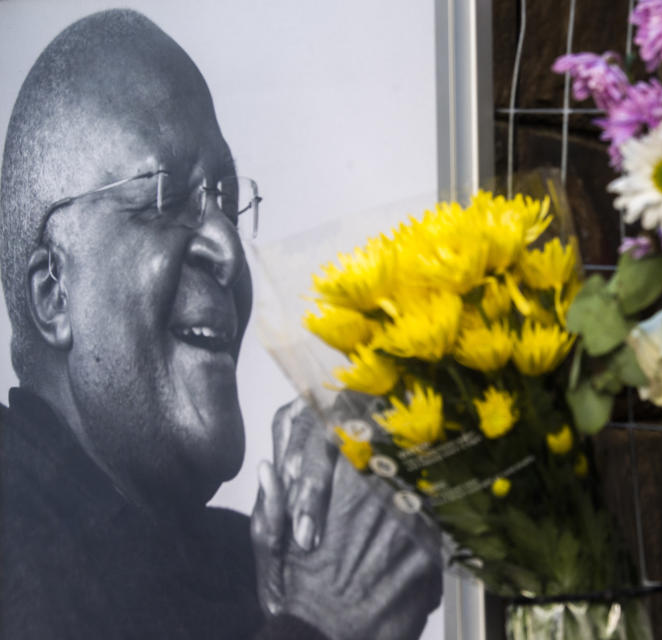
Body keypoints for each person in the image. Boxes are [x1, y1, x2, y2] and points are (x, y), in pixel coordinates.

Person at [0, 9, 441, 640]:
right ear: (53, 293)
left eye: (227, 201)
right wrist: (324, 623)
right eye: (164, 200)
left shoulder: (244, 566)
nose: (229, 248)